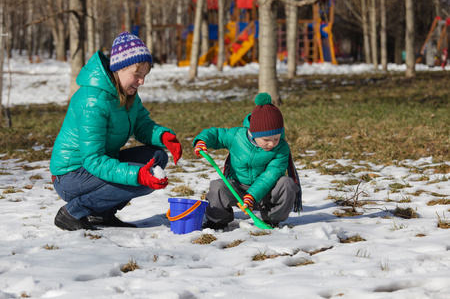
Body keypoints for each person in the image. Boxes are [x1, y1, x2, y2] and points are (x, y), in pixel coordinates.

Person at [50, 31, 182, 231]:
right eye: (137, 75)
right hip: (71, 176)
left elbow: (141, 124)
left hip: (94, 168)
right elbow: (92, 160)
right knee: (141, 180)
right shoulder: (92, 101)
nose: (141, 82)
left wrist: (164, 136)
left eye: (144, 76)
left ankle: (101, 214)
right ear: (119, 68)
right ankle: (72, 213)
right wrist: (137, 175)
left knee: (156, 158)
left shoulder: (127, 93)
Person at [193, 93, 301, 230]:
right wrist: (202, 141)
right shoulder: (236, 136)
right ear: (253, 133)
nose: (272, 144)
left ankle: (272, 219)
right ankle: (217, 221)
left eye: (276, 138)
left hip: (267, 190)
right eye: (267, 140)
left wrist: (252, 195)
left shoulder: (281, 148)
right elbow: (215, 134)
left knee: (287, 184)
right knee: (217, 187)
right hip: (237, 186)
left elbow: (271, 174)